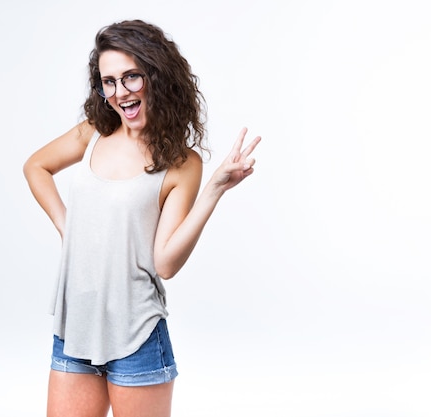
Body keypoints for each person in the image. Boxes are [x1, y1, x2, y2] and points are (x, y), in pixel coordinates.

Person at [23, 19, 261, 417]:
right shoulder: (92, 134)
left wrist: (215, 188)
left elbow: (165, 263)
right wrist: (69, 228)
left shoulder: (182, 163)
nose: (120, 93)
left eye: (131, 77)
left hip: (137, 337)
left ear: (157, 75)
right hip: (74, 331)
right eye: (109, 81)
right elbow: (36, 167)